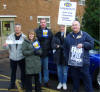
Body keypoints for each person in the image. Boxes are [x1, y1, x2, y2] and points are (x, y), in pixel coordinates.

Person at [64, 20, 94, 92]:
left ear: (79, 26)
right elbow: (65, 49)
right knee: (75, 79)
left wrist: (83, 45)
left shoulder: (85, 35)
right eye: (73, 25)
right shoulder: (68, 36)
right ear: (71, 27)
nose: (75, 26)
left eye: (76, 25)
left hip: (83, 63)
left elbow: (92, 44)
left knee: (87, 79)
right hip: (73, 63)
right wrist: (67, 59)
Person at [3, 23, 26, 89]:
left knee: (23, 72)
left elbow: (26, 47)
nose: (17, 29)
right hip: (13, 57)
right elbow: (7, 47)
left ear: (20, 28)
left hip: (21, 57)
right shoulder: (10, 37)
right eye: (16, 27)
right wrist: (5, 46)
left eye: (18, 27)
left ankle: (23, 84)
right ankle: (12, 84)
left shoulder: (24, 37)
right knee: (13, 72)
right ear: (14, 28)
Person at [35, 18, 53, 87]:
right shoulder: (36, 31)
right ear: (40, 23)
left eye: (44, 22)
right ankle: (39, 81)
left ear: (46, 23)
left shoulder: (49, 31)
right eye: (41, 22)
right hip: (38, 54)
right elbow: (34, 41)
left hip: (46, 54)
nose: (43, 23)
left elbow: (52, 41)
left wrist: (50, 50)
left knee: (46, 68)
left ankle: (46, 81)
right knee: (39, 69)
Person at [51, 25, 68, 90]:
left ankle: (64, 83)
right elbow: (53, 45)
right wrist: (61, 46)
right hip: (58, 56)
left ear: (65, 27)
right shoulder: (56, 35)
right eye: (61, 27)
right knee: (59, 71)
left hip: (65, 57)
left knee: (65, 72)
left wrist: (59, 46)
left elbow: (69, 45)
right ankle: (60, 82)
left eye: (63, 27)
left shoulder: (68, 34)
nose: (62, 28)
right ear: (59, 27)